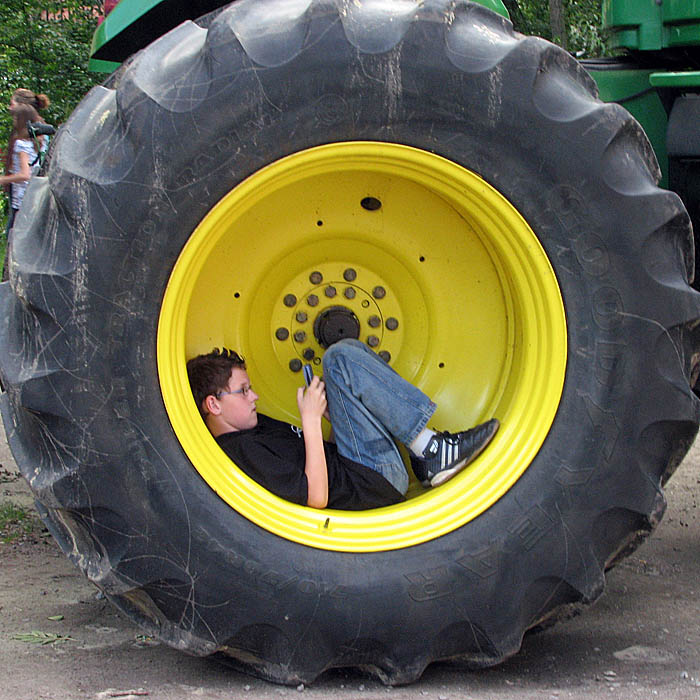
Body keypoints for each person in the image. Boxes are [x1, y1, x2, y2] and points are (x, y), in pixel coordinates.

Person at [187, 338, 499, 510]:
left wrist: (336, 417)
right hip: (370, 484)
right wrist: (309, 422)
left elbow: (328, 459)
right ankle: (431, 450)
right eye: (243, 391)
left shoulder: (252, 426)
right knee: (339, 359)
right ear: (213, 404)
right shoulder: (241, 452)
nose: (254, 395)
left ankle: (426, 453)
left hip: (359, 469)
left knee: (350, 352)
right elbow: (317, 497)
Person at [0, 103, 41, 280]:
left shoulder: (20, 146)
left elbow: (24, 174)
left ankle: (8, 279)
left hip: (20, 202)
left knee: (13, 243)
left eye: (16, 118)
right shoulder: (35, 144)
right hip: (31, 199)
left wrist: (3, 180)